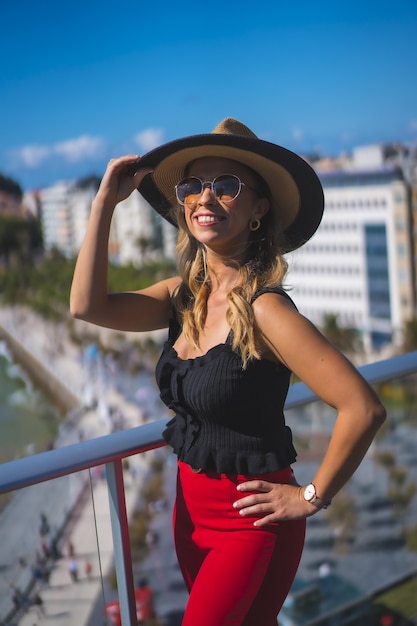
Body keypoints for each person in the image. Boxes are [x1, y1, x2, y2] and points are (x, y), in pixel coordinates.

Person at [70, 117, 386, 626]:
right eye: (192, 186)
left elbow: (362, 407)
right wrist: (104, 202)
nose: (204, 198)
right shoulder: (183, 297)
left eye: (226, 185)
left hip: (250, 525)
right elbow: (87, 305)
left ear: (258, 208)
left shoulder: (267, 311)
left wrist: (311, 495)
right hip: (189, 514)